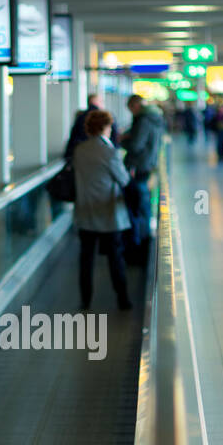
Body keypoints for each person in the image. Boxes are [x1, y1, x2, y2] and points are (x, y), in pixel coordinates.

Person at [72, 107, 132, 311]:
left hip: (85, 211)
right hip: (108, 213)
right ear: (106, 127)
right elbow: (123, 179)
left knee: (86, 258)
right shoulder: (110, 152)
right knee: (115, 257)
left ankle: (85, 300)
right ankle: (122, 299)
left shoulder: (79, 150)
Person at [121, 93, 164, 262]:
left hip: (138, 167)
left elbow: (136, 145)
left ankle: (139, 247)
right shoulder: (155, 118)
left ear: (135, 106)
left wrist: (122, 141)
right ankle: (143, 243)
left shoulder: (143, 120)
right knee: (143, 204)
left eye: (131, 109)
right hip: (148, 165)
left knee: (138, 205)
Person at [65, 93, 119, 159]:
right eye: (101, 101)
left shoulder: (80, 116)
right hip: (102, 153)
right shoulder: (105, 117)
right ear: (95, 102)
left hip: (82, 153)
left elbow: (73, 137)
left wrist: (68, 155)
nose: (103, 104)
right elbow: (115, 136)